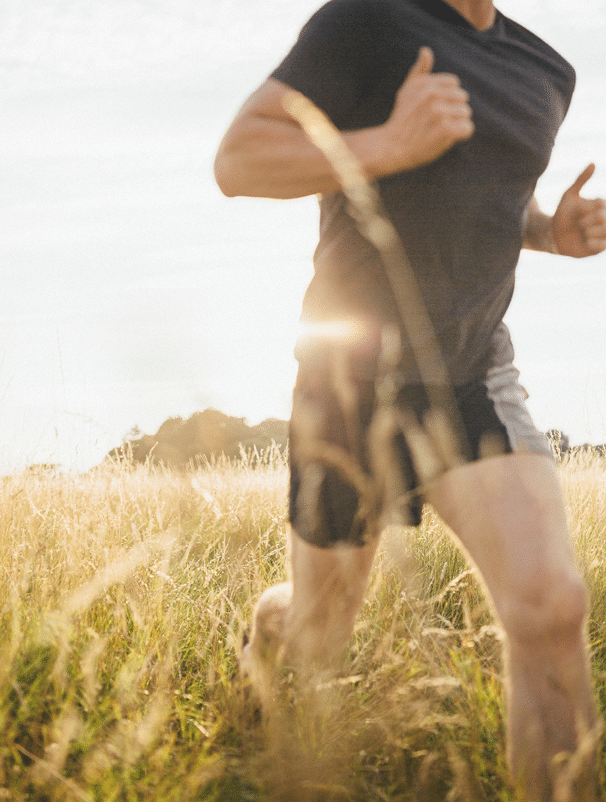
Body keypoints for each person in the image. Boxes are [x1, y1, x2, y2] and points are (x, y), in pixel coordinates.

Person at [214, 1, 606, 799]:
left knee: (552, 607)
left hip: (472, 371)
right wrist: (388, 144)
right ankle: (268, 630)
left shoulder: (545, 70)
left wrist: (548, 232)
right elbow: (240, 160)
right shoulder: (364, 21)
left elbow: (487, 200)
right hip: (350, 375)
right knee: (321, 632)